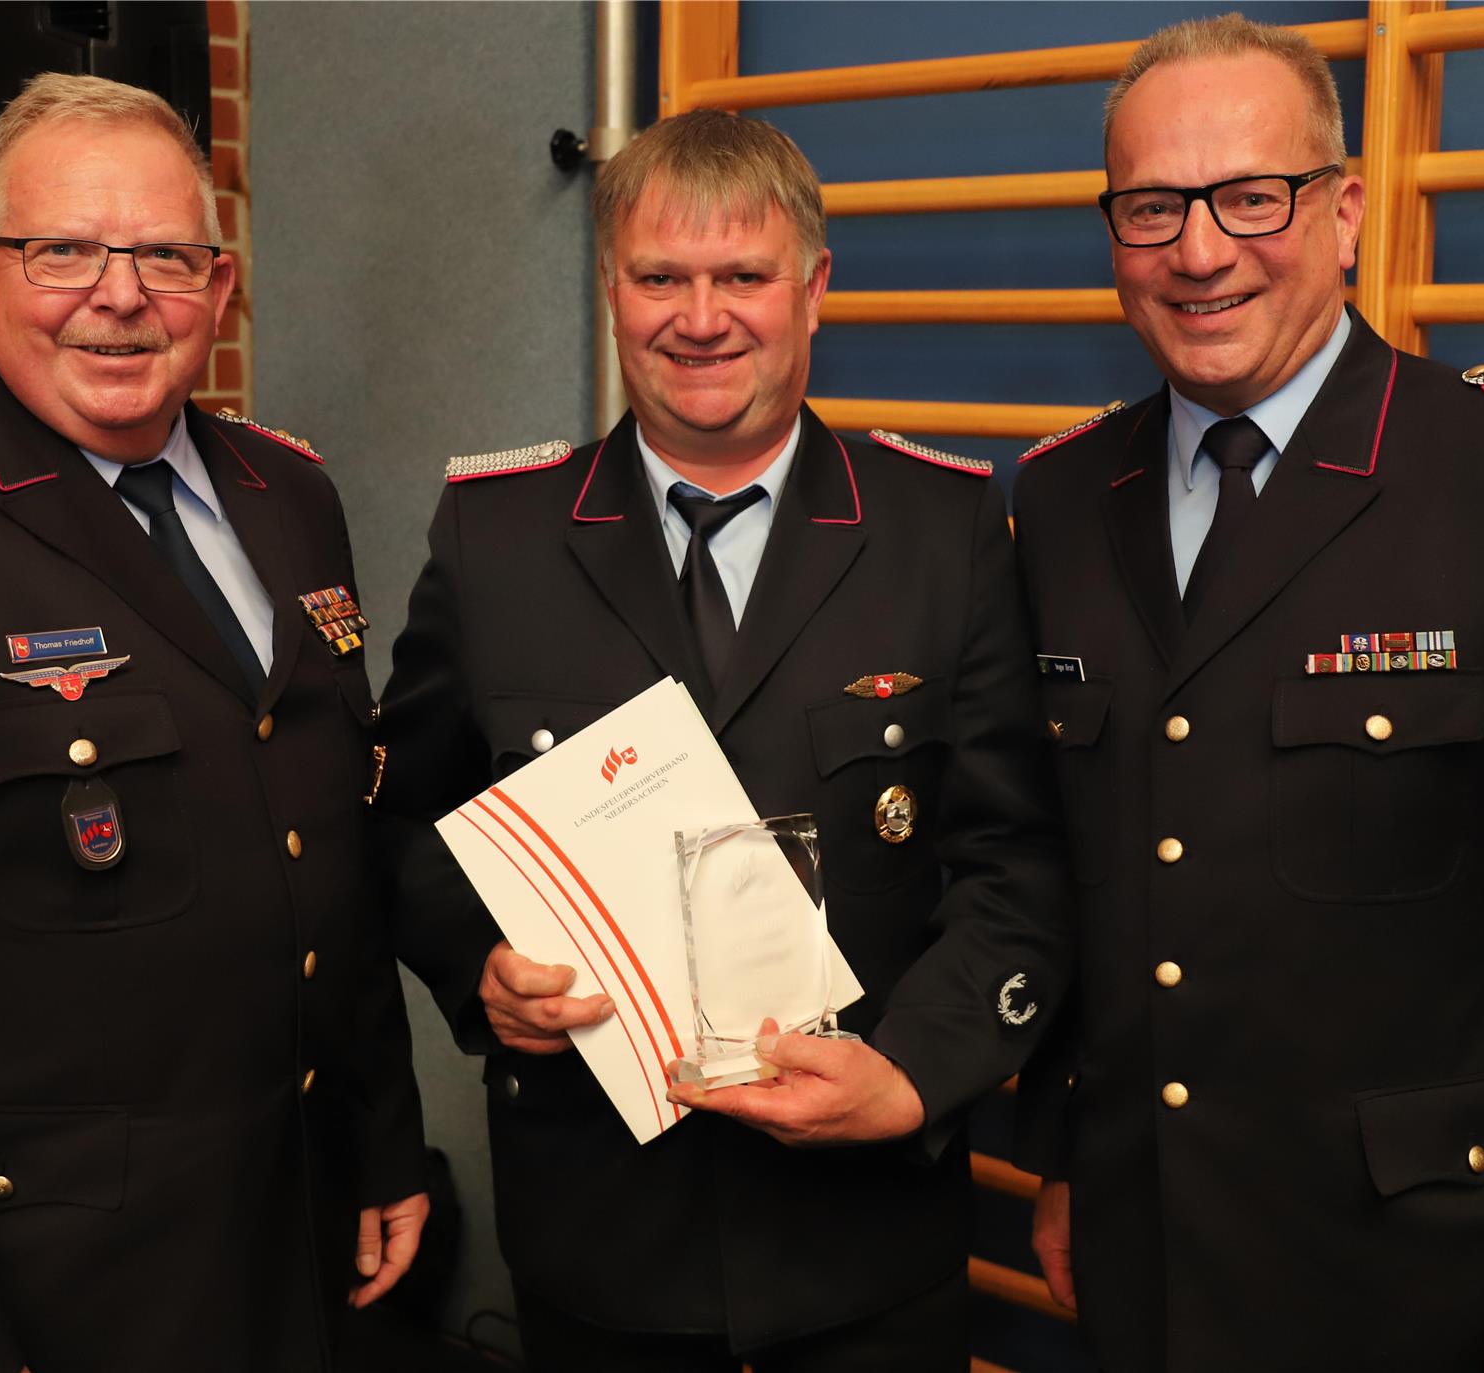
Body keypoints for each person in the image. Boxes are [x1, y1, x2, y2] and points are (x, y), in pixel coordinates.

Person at [1009, 13, 1484, 1372]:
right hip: (1146, 1256)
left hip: (1423, 1279)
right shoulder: (1066, 495)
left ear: (1347, 211)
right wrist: (1071, 1152)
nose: (1200, 251)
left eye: (1252, 196)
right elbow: (1088, 870)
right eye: (1152, 209)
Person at [372, 108, 1072, 1371]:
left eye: (743, 276)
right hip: (598, 1239)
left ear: (813, 292)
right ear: (611, 290)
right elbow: (409, 823)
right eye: (661, 278)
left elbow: (1017, 865)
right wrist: (479, 961)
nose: (701, 318)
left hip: (868, 1238)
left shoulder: (942, 532)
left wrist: (913, 1074)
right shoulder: (496, 540)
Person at [0, 74, 428, 1373]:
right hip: (49, 1297)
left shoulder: (290, 496)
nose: (120, 296)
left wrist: (381, 1134)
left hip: (299, 1240)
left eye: (167, 255)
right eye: (61, 248)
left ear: (220, 288)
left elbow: (326, 853)